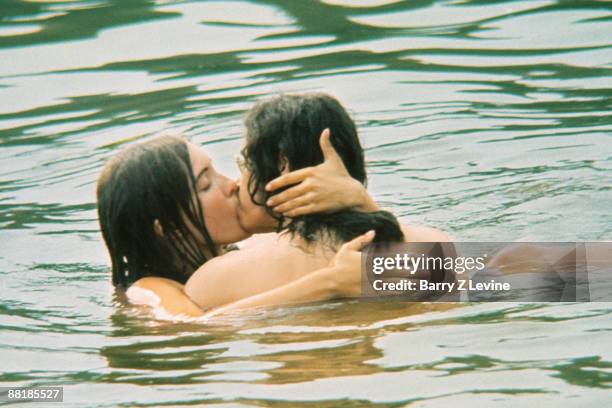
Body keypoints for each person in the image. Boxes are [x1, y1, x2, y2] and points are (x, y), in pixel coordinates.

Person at [184, 93, 450, 309]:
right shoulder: (432, 247)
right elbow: (484, 284)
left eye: (246, 163)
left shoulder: (216, 280)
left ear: (282, 165)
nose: (239, 180)